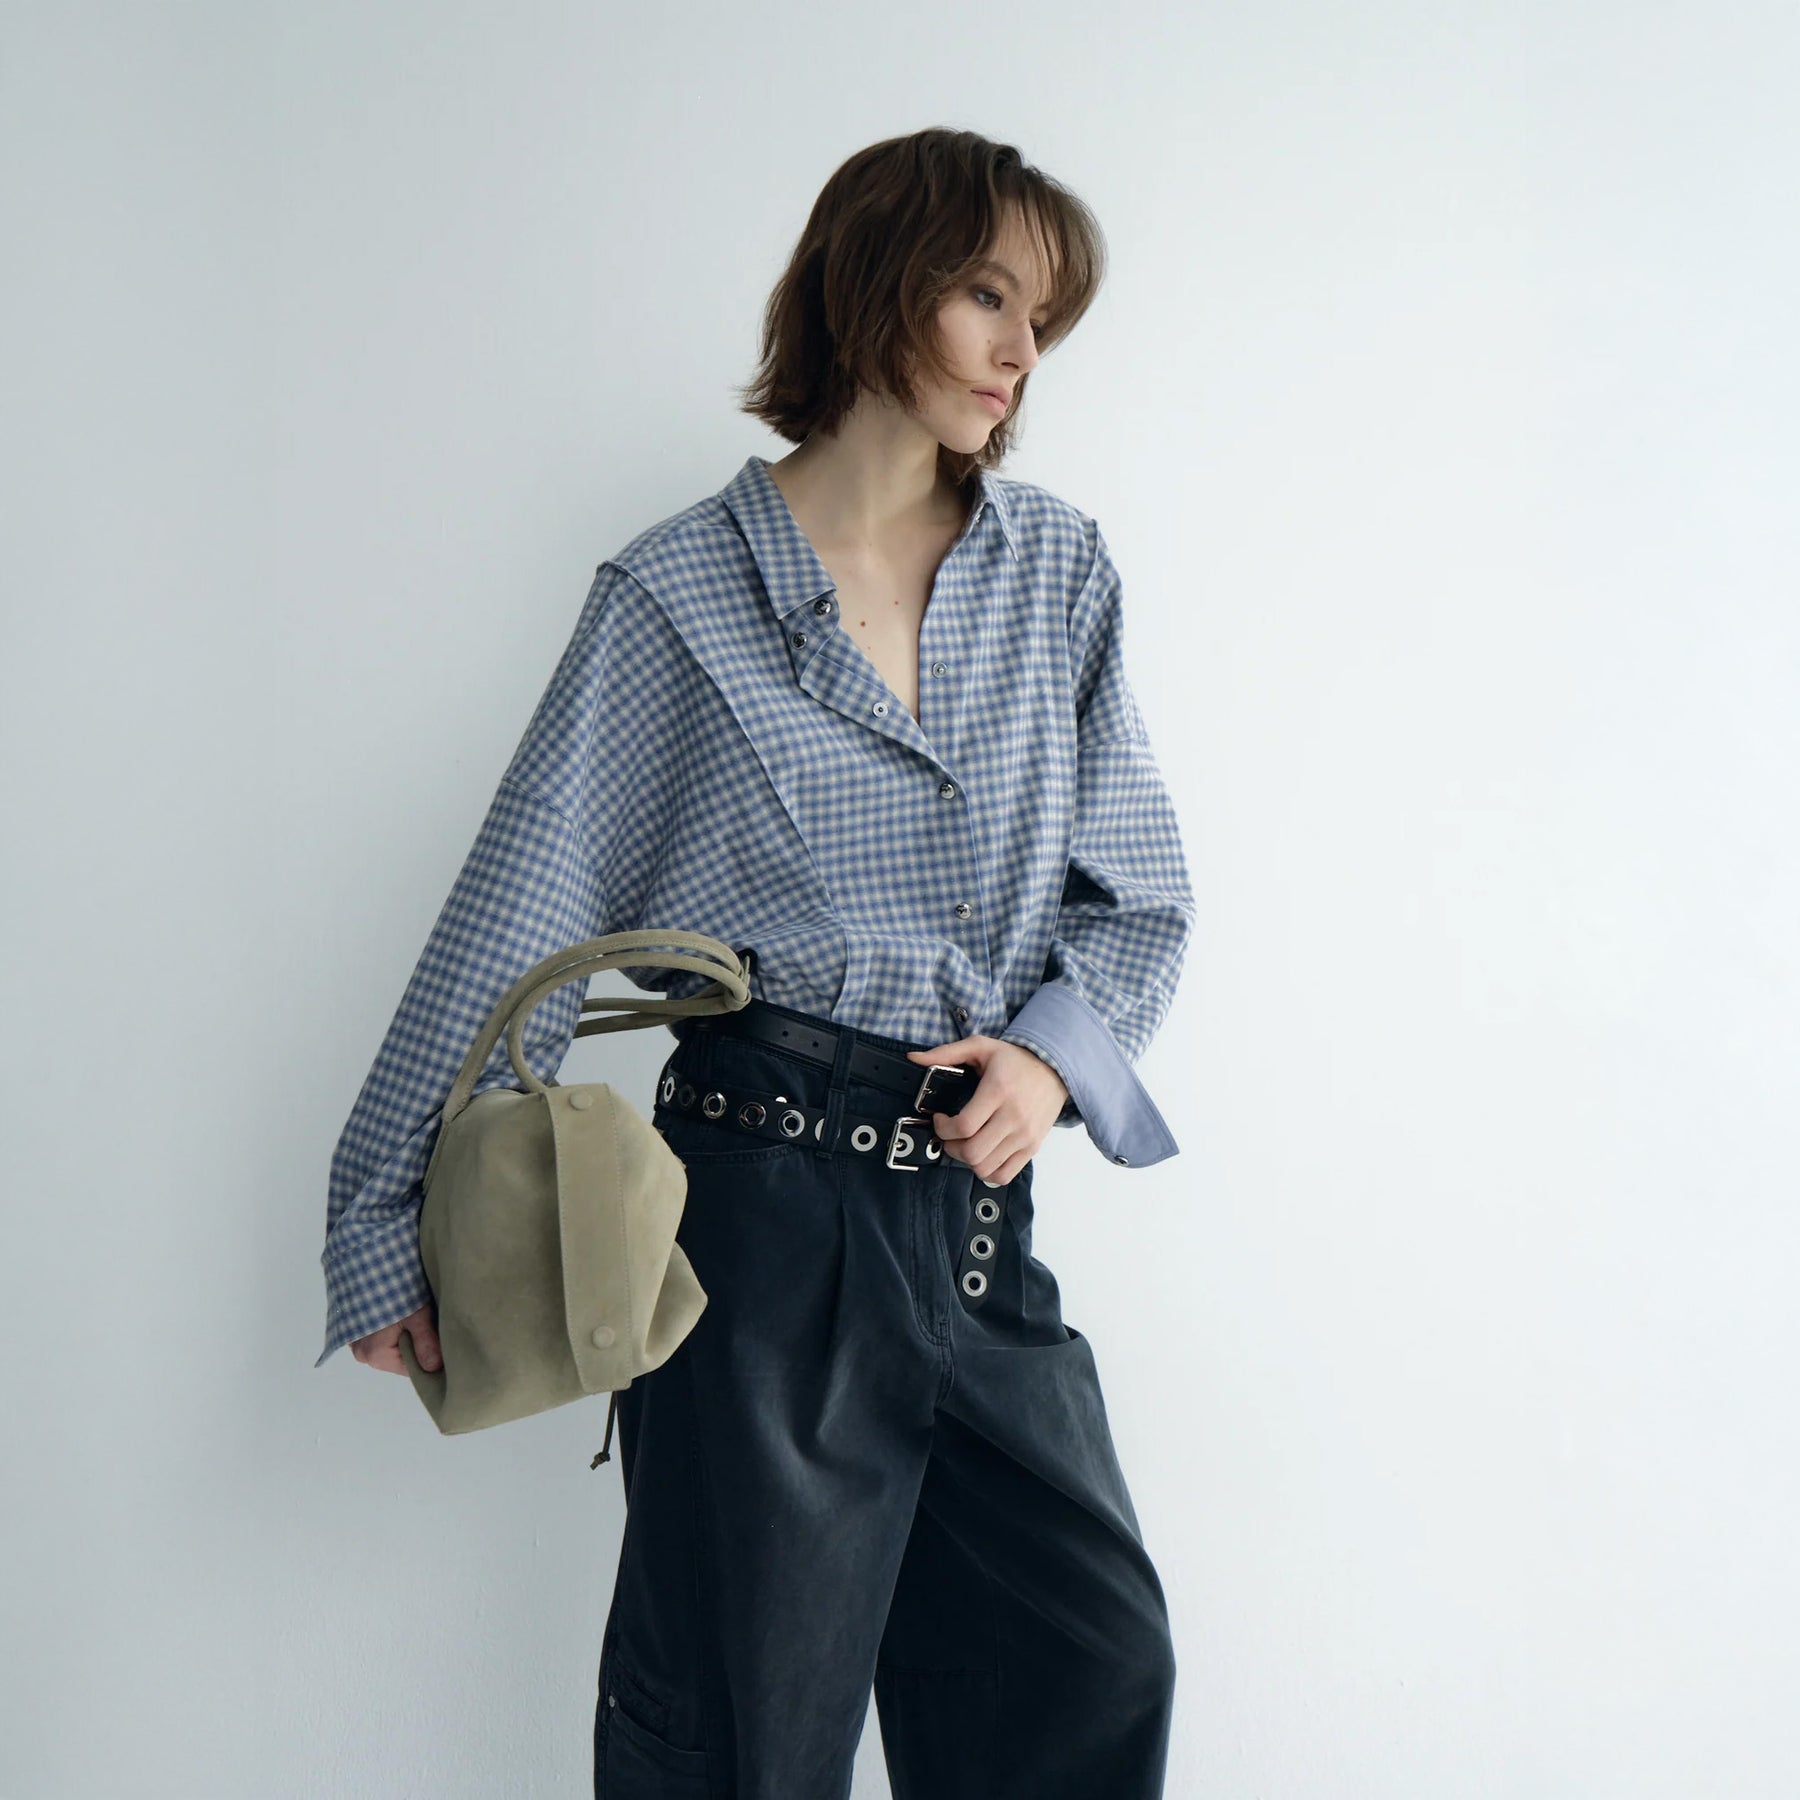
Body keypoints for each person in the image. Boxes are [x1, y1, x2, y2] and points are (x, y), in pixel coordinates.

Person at [317, 125, 1196, 1799]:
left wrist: (1047, 1061)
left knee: (1088, 1667)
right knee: (745, 1731)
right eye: (987, 296)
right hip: (760, 1226)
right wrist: (384, 1220)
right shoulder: (678, 598)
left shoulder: (1058, 574)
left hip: (975, 1230)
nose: (1022, 351)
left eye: (1043, 318)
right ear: (877, 286)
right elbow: (523, 903)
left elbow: (1137, 896)